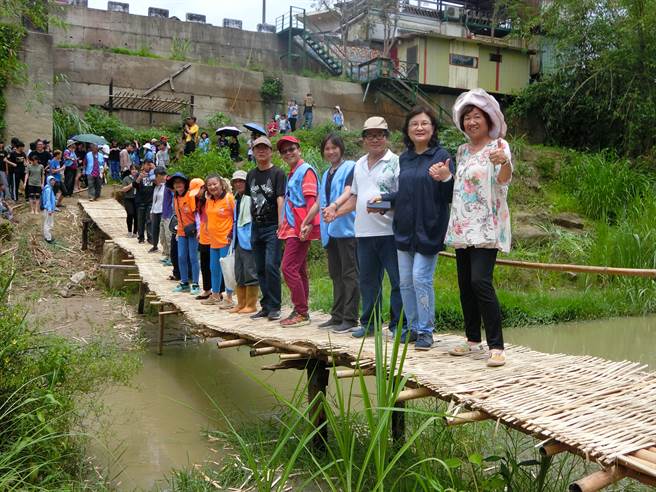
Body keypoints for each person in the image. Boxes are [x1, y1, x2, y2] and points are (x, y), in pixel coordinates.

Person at [375, 107, 454, 350]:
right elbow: (406, 193)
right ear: (408, 131)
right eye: (414, 124)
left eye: (424, 123)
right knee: (406, 282)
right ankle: (410, 328)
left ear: (433, 128)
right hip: (405, 228)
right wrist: (386, 199)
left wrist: (446, 177)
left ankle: (426, 330)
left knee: (421, 278)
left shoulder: (442, 156)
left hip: (429, 228)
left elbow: (450, 194)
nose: (419, 128)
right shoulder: (405, 159)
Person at [445, 89, 513, 368]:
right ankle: (473, 341)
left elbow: (505, 180)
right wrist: (445, 176)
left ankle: (497, 345)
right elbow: (463, 186)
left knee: (480, 281)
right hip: (463, 224)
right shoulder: (462, 150)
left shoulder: (499, 145)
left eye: (477, 117)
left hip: (487, 224)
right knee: (465, 285)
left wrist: (504, 162)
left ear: (487, 119)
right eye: (467, 118)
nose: (472, 122)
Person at [324, 116, 406, 338]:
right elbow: (355, 198)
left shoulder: (397, 162)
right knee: (368, 282)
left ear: (387, 138)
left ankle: (399, 325)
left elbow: (404, 196)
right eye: (370, 135)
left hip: (390, 232)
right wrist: (335, 212)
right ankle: (370, 324)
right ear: (363, 140)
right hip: (364, 233)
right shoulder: (359, 164)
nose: (375, 139)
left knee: (397, 281)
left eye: (379, 135)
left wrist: (384, 205)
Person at [301, 133, 359, 333]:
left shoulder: (350, 167)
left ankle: (350, 318)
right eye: (327, 148)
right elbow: (319, 201)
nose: (331, 151)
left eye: (334, 147)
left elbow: (349, 191)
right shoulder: (326, 173)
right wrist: (307, 221)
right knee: (336, 274)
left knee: (349, 274)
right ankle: (337, 316)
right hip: (330, 231)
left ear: (341, 148)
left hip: (347, 229)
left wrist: (335, 206)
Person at [276, 135, 320, 327]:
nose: (288, 153)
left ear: (299, 149)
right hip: (293, 226)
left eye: (291, 149)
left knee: (288, 268)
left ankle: (301, 312)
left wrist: (308, 224)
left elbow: (312, 200)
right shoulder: (293, 172)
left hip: (300, 227)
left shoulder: (305, 170)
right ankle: (302, 311)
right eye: (284, 151)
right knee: (299, 269)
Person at [245, 136, 286, 321]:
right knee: (260, 267)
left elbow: (280, 198)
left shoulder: (277, 173)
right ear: (253, 152)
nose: (261, 151)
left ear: (271, 152)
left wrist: (281, 224)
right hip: (256, 226)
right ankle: (266, 305)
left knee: (271, 265)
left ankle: (276, 306)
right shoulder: (251, 175)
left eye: (265, 148)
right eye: (257, 148)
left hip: (272, 227)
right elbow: (249, 199)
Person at [200, 174, 236, 308]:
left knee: (227, 269)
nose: (212, 187)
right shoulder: (209, 200)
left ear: (221, 184)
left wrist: (232, 234)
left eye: (215, 184)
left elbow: (235, 217)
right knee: (214, 268)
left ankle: (229, 298)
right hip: (213, 240)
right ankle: (215, 295)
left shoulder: (229, 198)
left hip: (226, 240)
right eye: (209, 185)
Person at [228, 170, 258, 314]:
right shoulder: (237, 198)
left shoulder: (251, 197)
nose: (239, 184)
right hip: (238, 240)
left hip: (248, 239)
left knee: (250, 271)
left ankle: (251, 304)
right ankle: (241, 303)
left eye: (241, 181)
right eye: (236, 181)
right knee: (238, 272)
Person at [168, 172, 201, 295]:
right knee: (181, 256)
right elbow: (177, 215)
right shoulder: (175, 197)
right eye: (176, 183)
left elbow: (196, 214)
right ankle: (184, 282)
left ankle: (196, 283)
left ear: (185, 184)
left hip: (192, 231)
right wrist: (177, 232)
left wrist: (198, 230)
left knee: (193, 257)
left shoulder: (190, 196)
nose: (178, 185)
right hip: (181, 231)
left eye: (180, 183)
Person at [195, 178, 213, 300]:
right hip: (203, 236)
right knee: (205, 264)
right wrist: (199, 231)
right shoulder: (199, 201)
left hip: (213, 236)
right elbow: (201, 218)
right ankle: (207, 289)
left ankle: (218, 291)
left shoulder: (212, 199)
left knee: (214, 265)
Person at [133, 160, 155, 244]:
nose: (148, 166)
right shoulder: (139, 174)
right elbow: (134, 185)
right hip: (140, 201)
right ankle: (141, 237)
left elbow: (159, 182)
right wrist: (139, 178)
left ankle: (150, 237)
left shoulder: (153, 175)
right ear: (143, 165)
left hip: (150, 200)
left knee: (149, 220)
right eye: (147, 165)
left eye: (150, 165)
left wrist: (154, 169)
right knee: (140, 220)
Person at [149, 167, 168, 253]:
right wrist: (151, 211)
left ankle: (166, 250)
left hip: (163, 211)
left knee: (164, 232)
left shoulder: (167, 186)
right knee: (154, 229)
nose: (155, 179)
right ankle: (155, 245)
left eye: (156, 177)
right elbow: (154, 200)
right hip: (155, 210)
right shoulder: (156, 187)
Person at [121, 164, 138, 237]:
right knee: (130, 214)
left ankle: (135, 232)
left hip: (137, 199)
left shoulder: (139, 178)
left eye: (136, 169)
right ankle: (129, 231)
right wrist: (131, 185)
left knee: (136, 216)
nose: (134, 171)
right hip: (128, 199)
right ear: (130, 170)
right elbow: (124, 189)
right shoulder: (126, 179)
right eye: (133, 169)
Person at [42, 175, 57, 243]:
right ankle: (48, 238)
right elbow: (48, 200)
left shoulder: (49, 188)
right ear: (48, 181)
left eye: (54, 180)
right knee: (48, 224)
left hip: (49, 209)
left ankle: (47, 236)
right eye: (51, 180)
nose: (53, 181)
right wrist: (50, 209)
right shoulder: (48, 189)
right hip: (48, 210)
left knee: (48, 223)